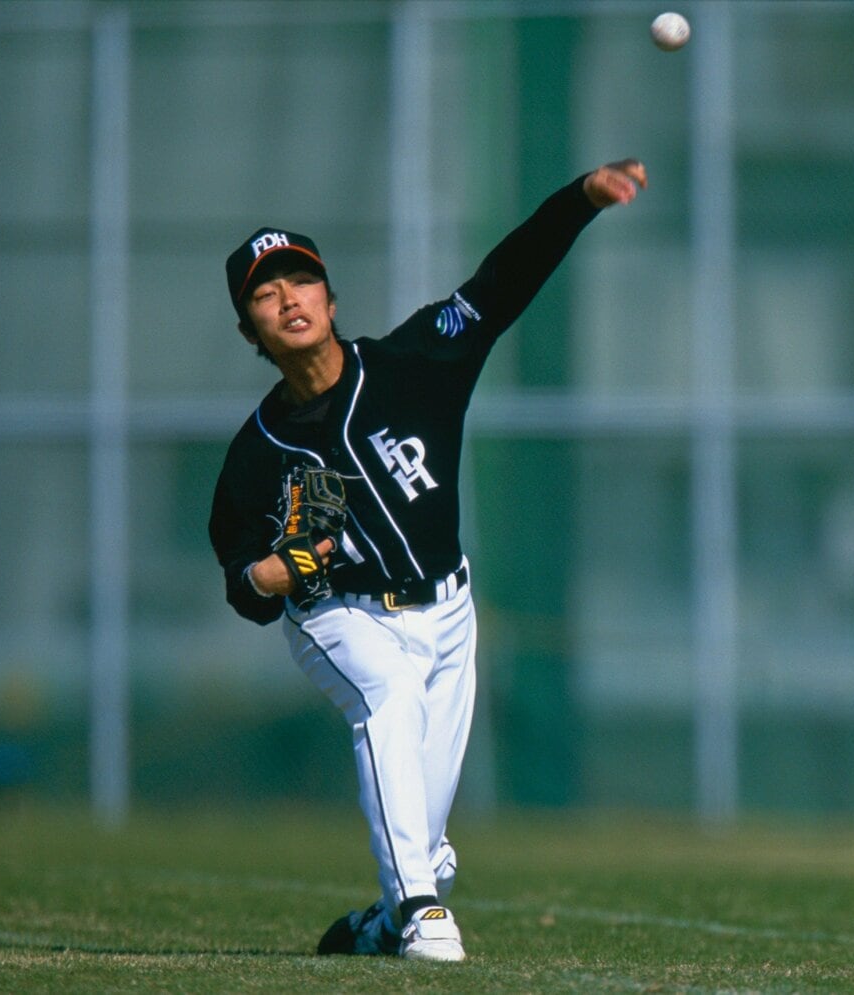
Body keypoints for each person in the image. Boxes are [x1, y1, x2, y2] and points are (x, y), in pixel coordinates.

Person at [207, 160, 647, 961]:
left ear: (330, 299)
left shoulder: (414, 363)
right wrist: (265, 576)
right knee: (388, 696)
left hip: (449, 610)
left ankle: (381, 921)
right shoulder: (255, 454)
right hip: (339, 616)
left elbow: (504, 279)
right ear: (251, 333)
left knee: (427, 827)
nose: (288, 300)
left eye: (300, 282)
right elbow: (243, 574)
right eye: (266, 296)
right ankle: (417, 914)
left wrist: (582, 197)